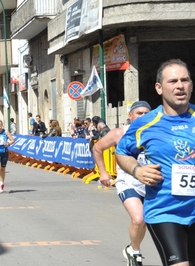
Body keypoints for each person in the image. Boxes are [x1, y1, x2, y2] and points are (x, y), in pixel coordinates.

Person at [116, 59, 195, 266]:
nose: (180, 86)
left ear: (191, 85)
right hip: (165, 211)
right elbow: (121, 152)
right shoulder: (145, 123)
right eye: (173, 81)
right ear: (159, 88)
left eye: (185, 80)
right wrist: (137, 170)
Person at [93, 101, 151, 266]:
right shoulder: (120, 133)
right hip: (128, 183)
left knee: (153, 223)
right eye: (139, 113)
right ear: (130, 116)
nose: (143, 116)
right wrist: (103, 172)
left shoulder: (158, 132)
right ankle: (135, 252)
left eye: (147, 113)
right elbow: (97, 149)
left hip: (151, 185)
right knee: (139, 219)